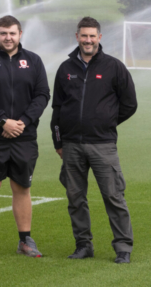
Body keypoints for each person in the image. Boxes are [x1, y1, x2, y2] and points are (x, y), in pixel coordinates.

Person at [51, 17, 138, 264]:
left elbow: (130, 104)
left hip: (103, 145)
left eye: (92, 36)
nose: (88, 40)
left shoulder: (114, 67)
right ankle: (83, 245)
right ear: (77, 37)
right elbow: (57, 109)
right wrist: (58, 142)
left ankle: (123, 248)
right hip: (71, 145)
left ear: (99, 37)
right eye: (84, 35)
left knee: (113, 196)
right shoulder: (65, 69)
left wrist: (106, 122)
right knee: (75, 198)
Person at [0, 15, 50, 258]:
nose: (8, 37)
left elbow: (43, 95)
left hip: (24, 136)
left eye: (12, 33)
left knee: (22, 187)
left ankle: (25, 241)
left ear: (20, 34)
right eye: (3, 33)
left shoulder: (34, 61)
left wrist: (22, 122)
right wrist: (3, 121)